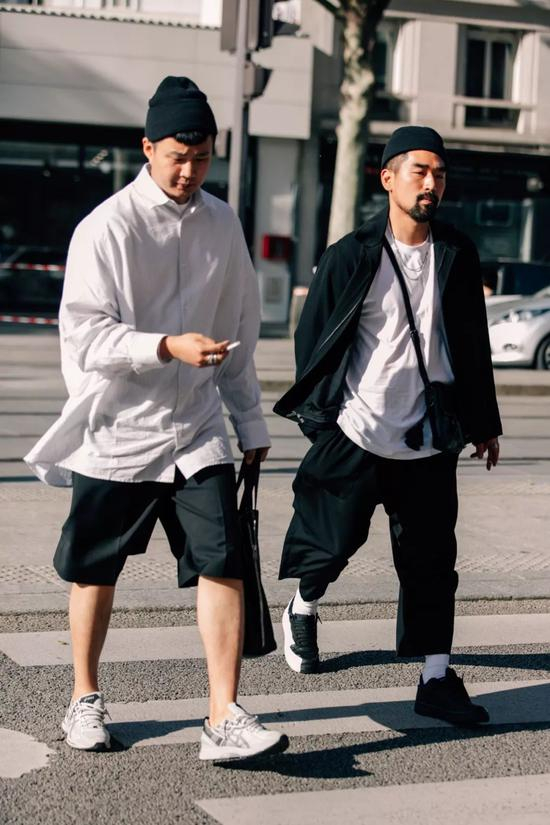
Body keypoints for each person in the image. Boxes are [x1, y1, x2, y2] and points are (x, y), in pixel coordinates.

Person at [25, 76, 288, 763]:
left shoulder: (222, 223)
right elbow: (86, 337)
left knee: (223, 561)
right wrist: (165, 346)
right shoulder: (106, 227)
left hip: (197, 430)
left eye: (201, 158)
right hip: (118, 428)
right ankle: (84, 697)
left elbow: (238, 330)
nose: (188, 171)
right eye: (176, 156)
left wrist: (250, 424)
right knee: (94, 568)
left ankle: (223, 715)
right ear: (147, 148)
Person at [274, 126, 502, 726]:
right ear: (387, 178)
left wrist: (483, 422)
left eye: (439, 174)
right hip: (357, 430)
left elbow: (471, 343)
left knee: (432, 563)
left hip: (429, 437)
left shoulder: (456, 252)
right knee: (331, 543)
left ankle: (436, 677)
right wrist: (323, 423)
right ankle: (303, 605)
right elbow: (312, 340)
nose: (431, 183)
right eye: (420, 171)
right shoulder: (352, 253)